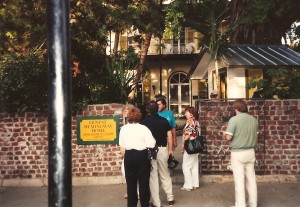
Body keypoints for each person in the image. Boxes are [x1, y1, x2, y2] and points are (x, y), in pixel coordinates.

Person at [224, 99, 259, 207]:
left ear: (236, 109)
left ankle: (241, 205)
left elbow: (229, 137)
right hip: (251, 152)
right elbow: (256, 137)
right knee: (251, 180)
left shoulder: (234, 120)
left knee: (239, 181)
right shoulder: (254, 120)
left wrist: (224, 134)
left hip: (238, 153)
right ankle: (253, 204)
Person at [119, 107, 156, 207]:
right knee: (144, 184)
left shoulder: (124, 129)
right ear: (139, 116)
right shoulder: (144, 128)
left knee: (131, 185)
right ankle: (144, 204)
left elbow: (121, 144)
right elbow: (152, 144)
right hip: (142, 156)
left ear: (128, 117)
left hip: (129, 156)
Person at [141, 100, 175, 207]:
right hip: (163, 148)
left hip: (150, 150)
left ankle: (157, 202)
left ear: (147, 110)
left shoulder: (144, 122)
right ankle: (170, 197)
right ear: (157, 109)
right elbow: (169, 136)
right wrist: (170, 149)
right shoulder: (164, 120)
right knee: (165, 174)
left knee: (153, 176)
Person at [120, 104, 138, 199]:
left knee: (132, 173)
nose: (125, 113)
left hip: (134, 152)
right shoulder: (124, 126)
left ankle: (136, 192)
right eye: (124, 111)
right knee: (125, 172)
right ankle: (131, 191)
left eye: (127, 111)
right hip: (127, 152)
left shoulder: (134, 125)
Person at [181, 106, 200, 191]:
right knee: (194, 166)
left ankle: (188, 185)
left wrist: (183, 145)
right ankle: (195, 183)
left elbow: (188, 135)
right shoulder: (196, 122)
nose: (185, 114)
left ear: (191, 113)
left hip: (190, 147)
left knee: (186, 166)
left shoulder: (190, 122)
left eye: (186, 112)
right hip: (196, 146)